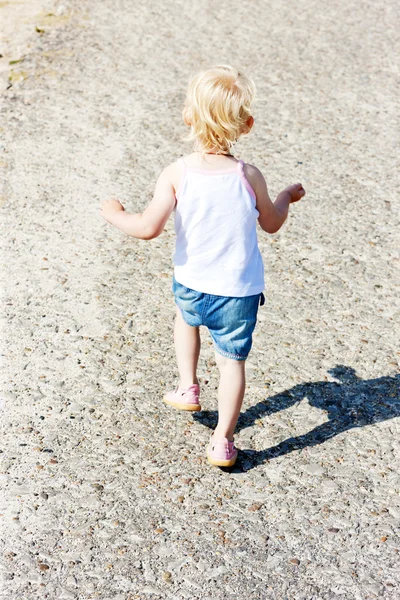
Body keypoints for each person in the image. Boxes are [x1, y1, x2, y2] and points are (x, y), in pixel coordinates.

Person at [101, 65, 305, 468]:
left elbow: (146, 228)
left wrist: (114, 213)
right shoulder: (248, 175)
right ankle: (223, 441)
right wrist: (284, 197)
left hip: (192, 283)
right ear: (246, 125)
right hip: (238, 292)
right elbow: (272, 223)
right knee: (232, 363)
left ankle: (188, 386)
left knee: (185, 319)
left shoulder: (177, 173)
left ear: (187, 116)